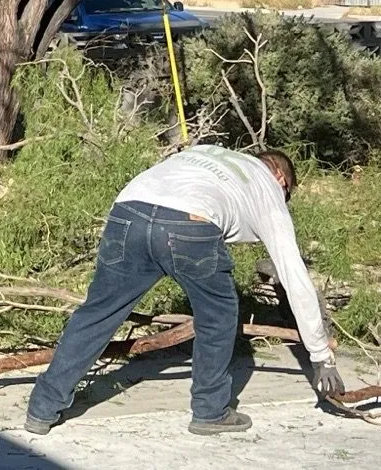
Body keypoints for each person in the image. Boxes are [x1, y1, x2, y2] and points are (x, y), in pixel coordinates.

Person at [25, 145, 345, 437]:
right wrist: (320, 357)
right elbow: (295, 277)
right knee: (218, 316)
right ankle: (210, 411)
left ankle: (42, 409)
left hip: (128, 211)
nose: (284, 201)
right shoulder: (268, 188)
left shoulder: (208, 152)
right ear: (280, 176)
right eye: (287, 193)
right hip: (190, 223)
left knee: (98, 313)